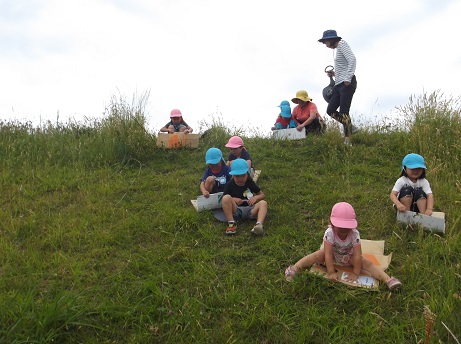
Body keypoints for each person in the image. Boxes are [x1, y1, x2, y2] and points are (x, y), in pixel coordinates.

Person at [284, 202, 402, 291]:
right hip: (332, 255)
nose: (345, 230)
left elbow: (357, 255)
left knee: (366, 262)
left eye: (347, 227)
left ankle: (388, 280)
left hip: (348, 256)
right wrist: (331, 272)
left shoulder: (354, 234)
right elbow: (328, 253)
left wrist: (356, 272)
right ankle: (295, 267)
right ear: (332, 224)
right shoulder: (329, 233)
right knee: (316, 255)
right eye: (341, 227)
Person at [318, 30, 357, 145]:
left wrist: (348, 78)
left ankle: (348, 140)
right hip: (338, 84)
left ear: (332, 39)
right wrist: (334, 74)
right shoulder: (338, 49)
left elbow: (352, 59)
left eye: (326, 42)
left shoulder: (342, 45)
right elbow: (344, 66)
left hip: (347, 84)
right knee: (330, 110)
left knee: (344, 111)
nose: (325, 44)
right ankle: (350, 126)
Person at [222, 158, 267, 236]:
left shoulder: (250, 183)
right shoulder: (229, 185)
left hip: (251, 209)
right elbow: (224, 199)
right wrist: (234, 199)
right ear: (232, 175)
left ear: (247, 174)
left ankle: (259, 225)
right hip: (236, 210)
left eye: (243, 176)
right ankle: (231, 223)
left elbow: (262, 194)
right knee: (226, 198)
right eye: (237, 176)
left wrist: (255, 198)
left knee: (263, 203)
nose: (240, 179)